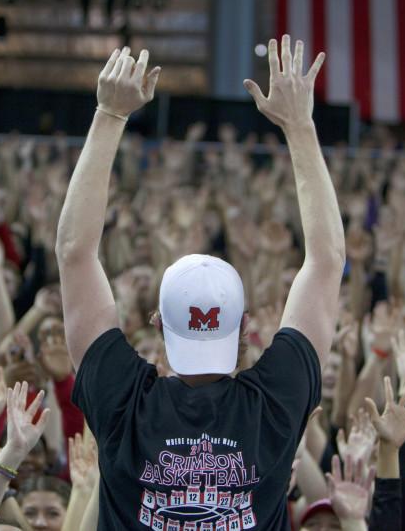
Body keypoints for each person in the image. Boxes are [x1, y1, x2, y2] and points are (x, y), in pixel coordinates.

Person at [57, 34, 344, 528]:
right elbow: (326, 260)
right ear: (245, 329)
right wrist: (300, 126)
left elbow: (73, 253)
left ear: (156, 323)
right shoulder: (275, 402)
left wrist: (110, 115)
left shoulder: (124, 399)